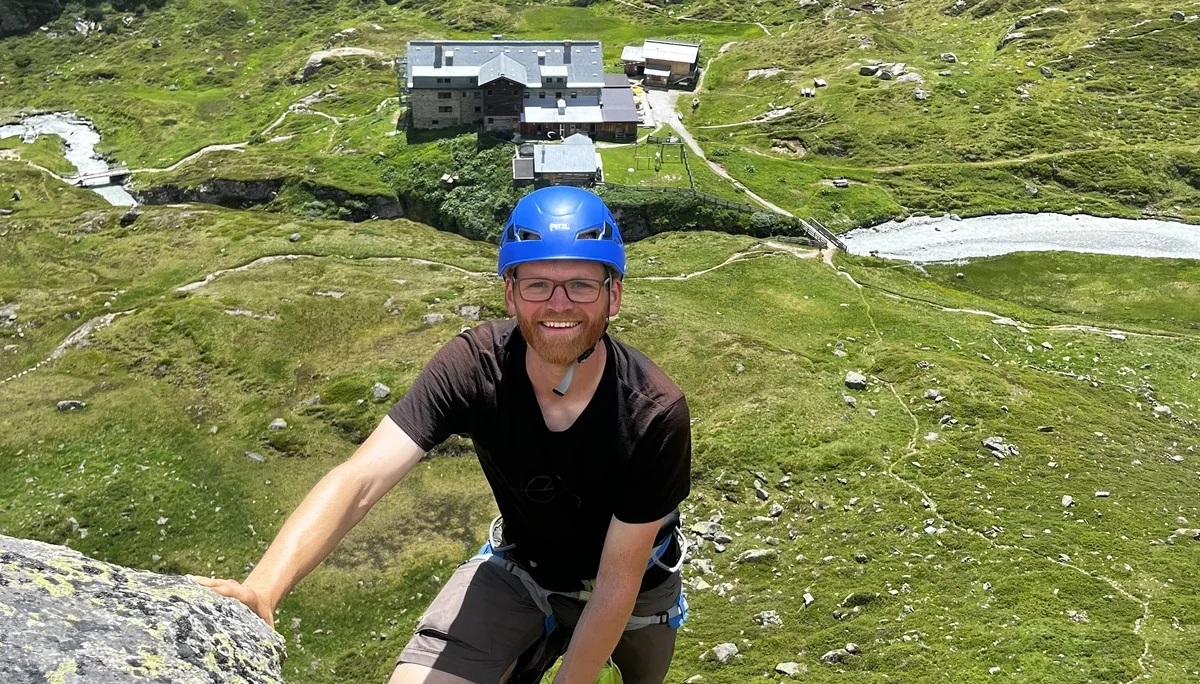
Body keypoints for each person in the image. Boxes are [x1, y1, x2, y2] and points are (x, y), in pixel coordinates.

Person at [192, 186, 692, 684]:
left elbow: (616, 582)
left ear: (614, 296)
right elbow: (361, 479)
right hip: (522, 569)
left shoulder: (652, 412)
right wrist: (264, 588)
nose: (558, 305)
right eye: (537, 284)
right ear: (510, 293)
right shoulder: (473, 366)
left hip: (637, 589)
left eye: (581, 285)